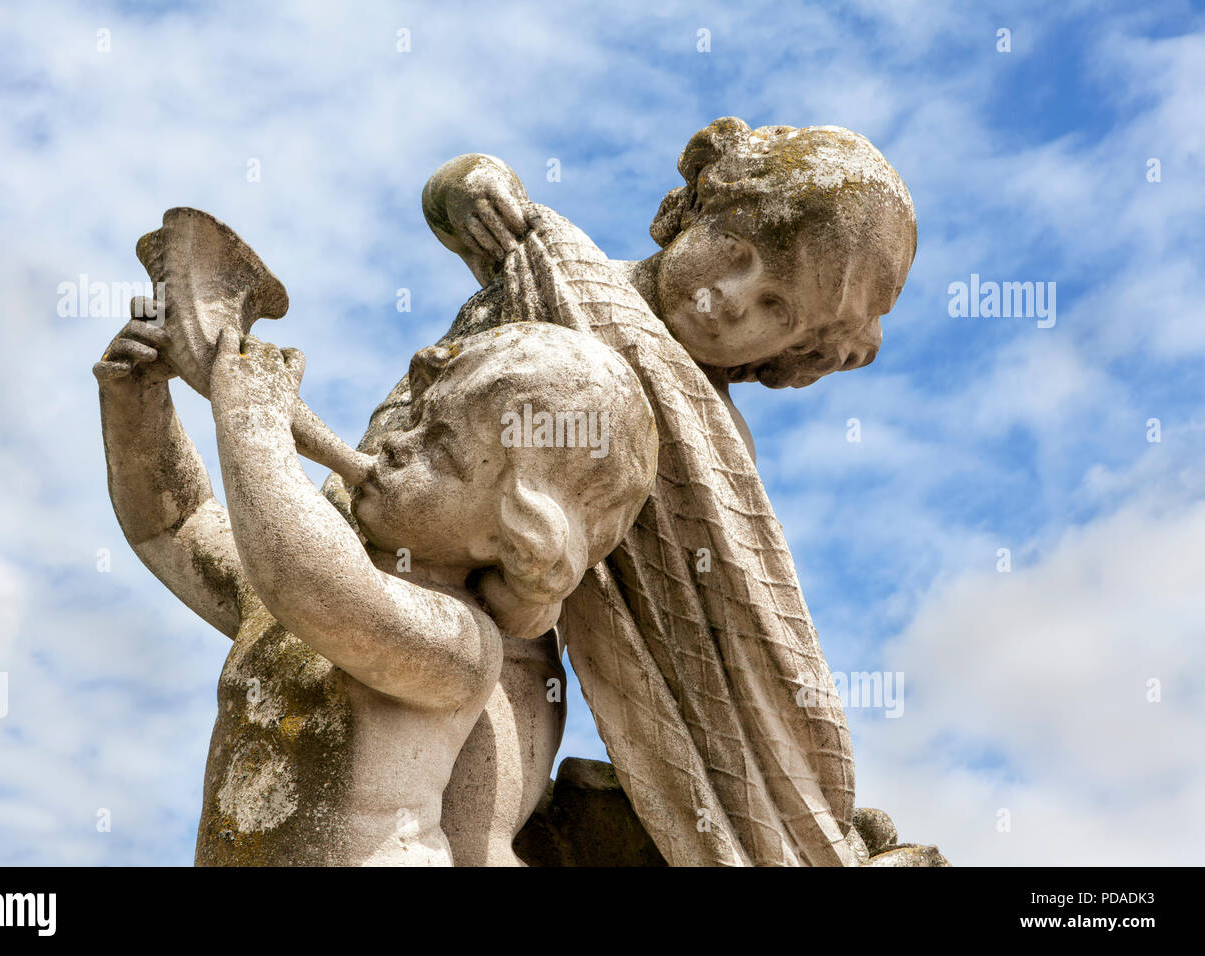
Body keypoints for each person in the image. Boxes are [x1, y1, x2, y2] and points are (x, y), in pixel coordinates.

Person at [350, 116, 916, 865]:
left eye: (776, 307)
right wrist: (464, 188)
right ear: (696, 208)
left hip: (516, 645)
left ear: (795, 352)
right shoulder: (552, 281)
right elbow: (467, 228)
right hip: (408, 567)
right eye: (737, 251)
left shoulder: (719, 445)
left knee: (478, 835)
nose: (730, 297)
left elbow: (715, 628)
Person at [95, 319, 656, 865]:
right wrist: (136, 402)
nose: (397, 443)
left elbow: (312, 583)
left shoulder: (461, 643)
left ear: (515, 533)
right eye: (415, 418)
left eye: (441, 449)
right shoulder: (279, 598)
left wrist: (255, 418)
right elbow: (174, 526)